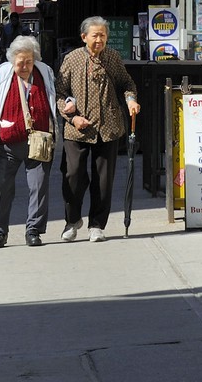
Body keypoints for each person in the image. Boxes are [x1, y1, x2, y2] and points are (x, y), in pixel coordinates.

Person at [55, 16, 140, 242]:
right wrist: (73, 118)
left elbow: (127, 84)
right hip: (77, 129)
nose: (99, 40)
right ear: (84, 37)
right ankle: (72, 220)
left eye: (103, 35)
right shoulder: (71, 60)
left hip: (108, 127)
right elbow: (60, 94)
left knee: (103, 179)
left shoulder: (112, 57)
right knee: (73, 175)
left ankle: (97, 225)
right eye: (95, 35)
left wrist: (130, 100)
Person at [0, 34, 57, 248]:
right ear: (12, 60)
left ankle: (34, 230)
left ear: (35, 59)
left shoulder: (45, 72)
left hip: (39, 140)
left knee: (39, 186)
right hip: (8, 141)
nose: (24, 66)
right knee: (0, 186)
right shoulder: (2, 75)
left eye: (29, 62)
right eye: (20, 62)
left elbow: (53, 99)